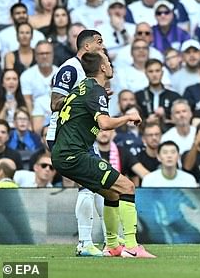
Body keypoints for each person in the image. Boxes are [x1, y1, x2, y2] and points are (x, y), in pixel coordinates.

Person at [51, 51, 155, 258]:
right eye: (108, 61)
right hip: (74, 153)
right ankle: (132, 247)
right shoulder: (94, 90)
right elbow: (105, 124)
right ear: (103, 68)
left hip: (65, 153)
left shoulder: (83, 88)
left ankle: (113, 245)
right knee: (127, 186)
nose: (110, 64)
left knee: (111, 193)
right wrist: (127, 117)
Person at [47, 29, 104, 257]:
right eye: (99, 42)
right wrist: (82, 98)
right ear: (86, 46)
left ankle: (112, 239)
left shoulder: (89, 72)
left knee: (101, 186)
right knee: (89, 186)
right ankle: (85, 242)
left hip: (82, 135)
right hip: (64, 135)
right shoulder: (71, 68)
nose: (103, 46)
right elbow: (55, 103)